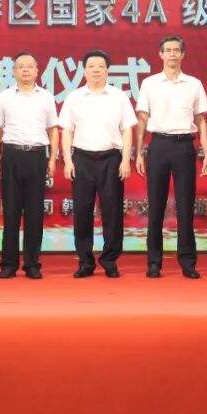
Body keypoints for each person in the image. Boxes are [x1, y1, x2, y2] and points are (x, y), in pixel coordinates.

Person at [134, 35, 207, 279]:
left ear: (183, 54)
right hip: (158, 145)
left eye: (176, 50)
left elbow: (201, 120)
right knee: (155, 206)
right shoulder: (150, 84)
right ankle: (153, 262)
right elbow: (142, 119)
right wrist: (139, 152)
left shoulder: (194, 84)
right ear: (161, 54)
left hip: (184, 146)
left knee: (186, 206)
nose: (172, 54)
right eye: (167, 50)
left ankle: (187, 262)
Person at [59, 50, 137, 278]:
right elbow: (67, 131)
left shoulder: (118, 97)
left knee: (112, 211)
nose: (96, 70)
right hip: (82, 159)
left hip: (111, 159)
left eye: (100, 66)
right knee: (82, 211)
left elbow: (127, 130)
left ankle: (110, 260)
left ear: (107, 70)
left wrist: (125, 160)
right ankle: (85, 261)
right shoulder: (74, 97)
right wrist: (68, 160)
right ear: (84, 71)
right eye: (91, 66)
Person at [0, 52, 59, 279]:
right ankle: (8, 265)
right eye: (21, 66)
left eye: (30, 66)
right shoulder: (4, 97)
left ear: (38, 71)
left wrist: (52, 159)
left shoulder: (46, 97)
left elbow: (53, 130)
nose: (26, 70)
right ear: (14, 71)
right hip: (11, 155)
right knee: (10, 212)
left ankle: (32, 264)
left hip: (37, 156)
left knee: (34, 212)